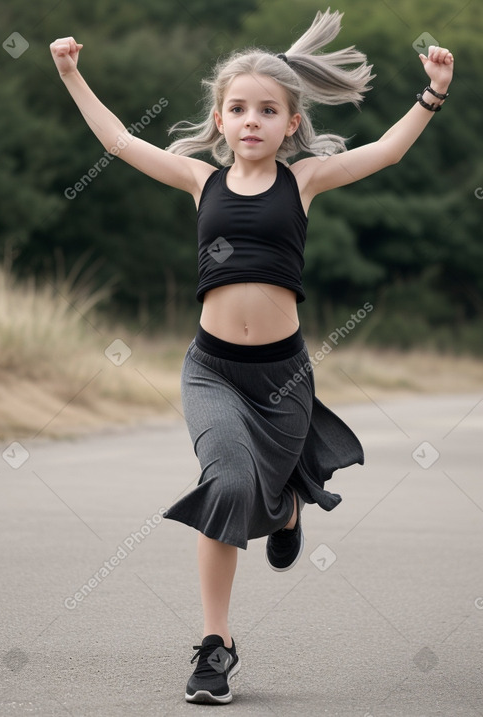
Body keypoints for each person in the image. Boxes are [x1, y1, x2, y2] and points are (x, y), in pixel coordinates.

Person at [50, 8, 453, 705]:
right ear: (220, 117)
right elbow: (117, 141)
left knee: (262, 488)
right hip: (210, 370)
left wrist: (432, 94)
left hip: (283, 376)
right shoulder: (197, 181)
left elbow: (386, 151)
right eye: (238, 108)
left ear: (290, 123)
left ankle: (291, 507)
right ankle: (216, 644)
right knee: (228, 483)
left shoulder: (304, 183)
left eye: (268, 110)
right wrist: (70, 73)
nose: (251, 121)